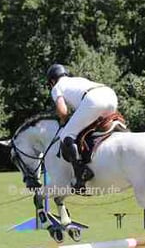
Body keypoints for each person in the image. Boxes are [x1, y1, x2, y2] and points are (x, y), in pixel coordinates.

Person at [46, 63, 118, 192]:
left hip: (93, 100)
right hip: (110, 95)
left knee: (66, 136)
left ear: (52, 80)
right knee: (91, 130)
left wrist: (63, 121)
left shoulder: (56, 87)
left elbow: (63, 112)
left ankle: (81, 174)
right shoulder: (77, 79)